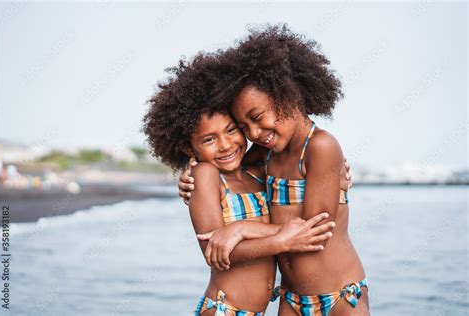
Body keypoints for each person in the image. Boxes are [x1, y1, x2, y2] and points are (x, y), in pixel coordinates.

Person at [178, 25, 369, 315]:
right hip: (290, 299)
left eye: (256, 118)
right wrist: (188, 173)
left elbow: (314, 230)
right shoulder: (267, 156)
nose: (253, 133)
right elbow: (225, 168)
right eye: (244, 126)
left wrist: (240, 229)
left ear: (288, 96)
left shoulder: (321, 147)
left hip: (339, 297)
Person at [143, 51, 336, 315]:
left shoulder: (258, 173)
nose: (225, 145)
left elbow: (296, 165)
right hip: (224, 309)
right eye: (209, 140)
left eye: (233, 130)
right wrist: (281, 241)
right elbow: (214, 251)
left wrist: (339, 174)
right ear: (189, 148)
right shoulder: (206, 175)